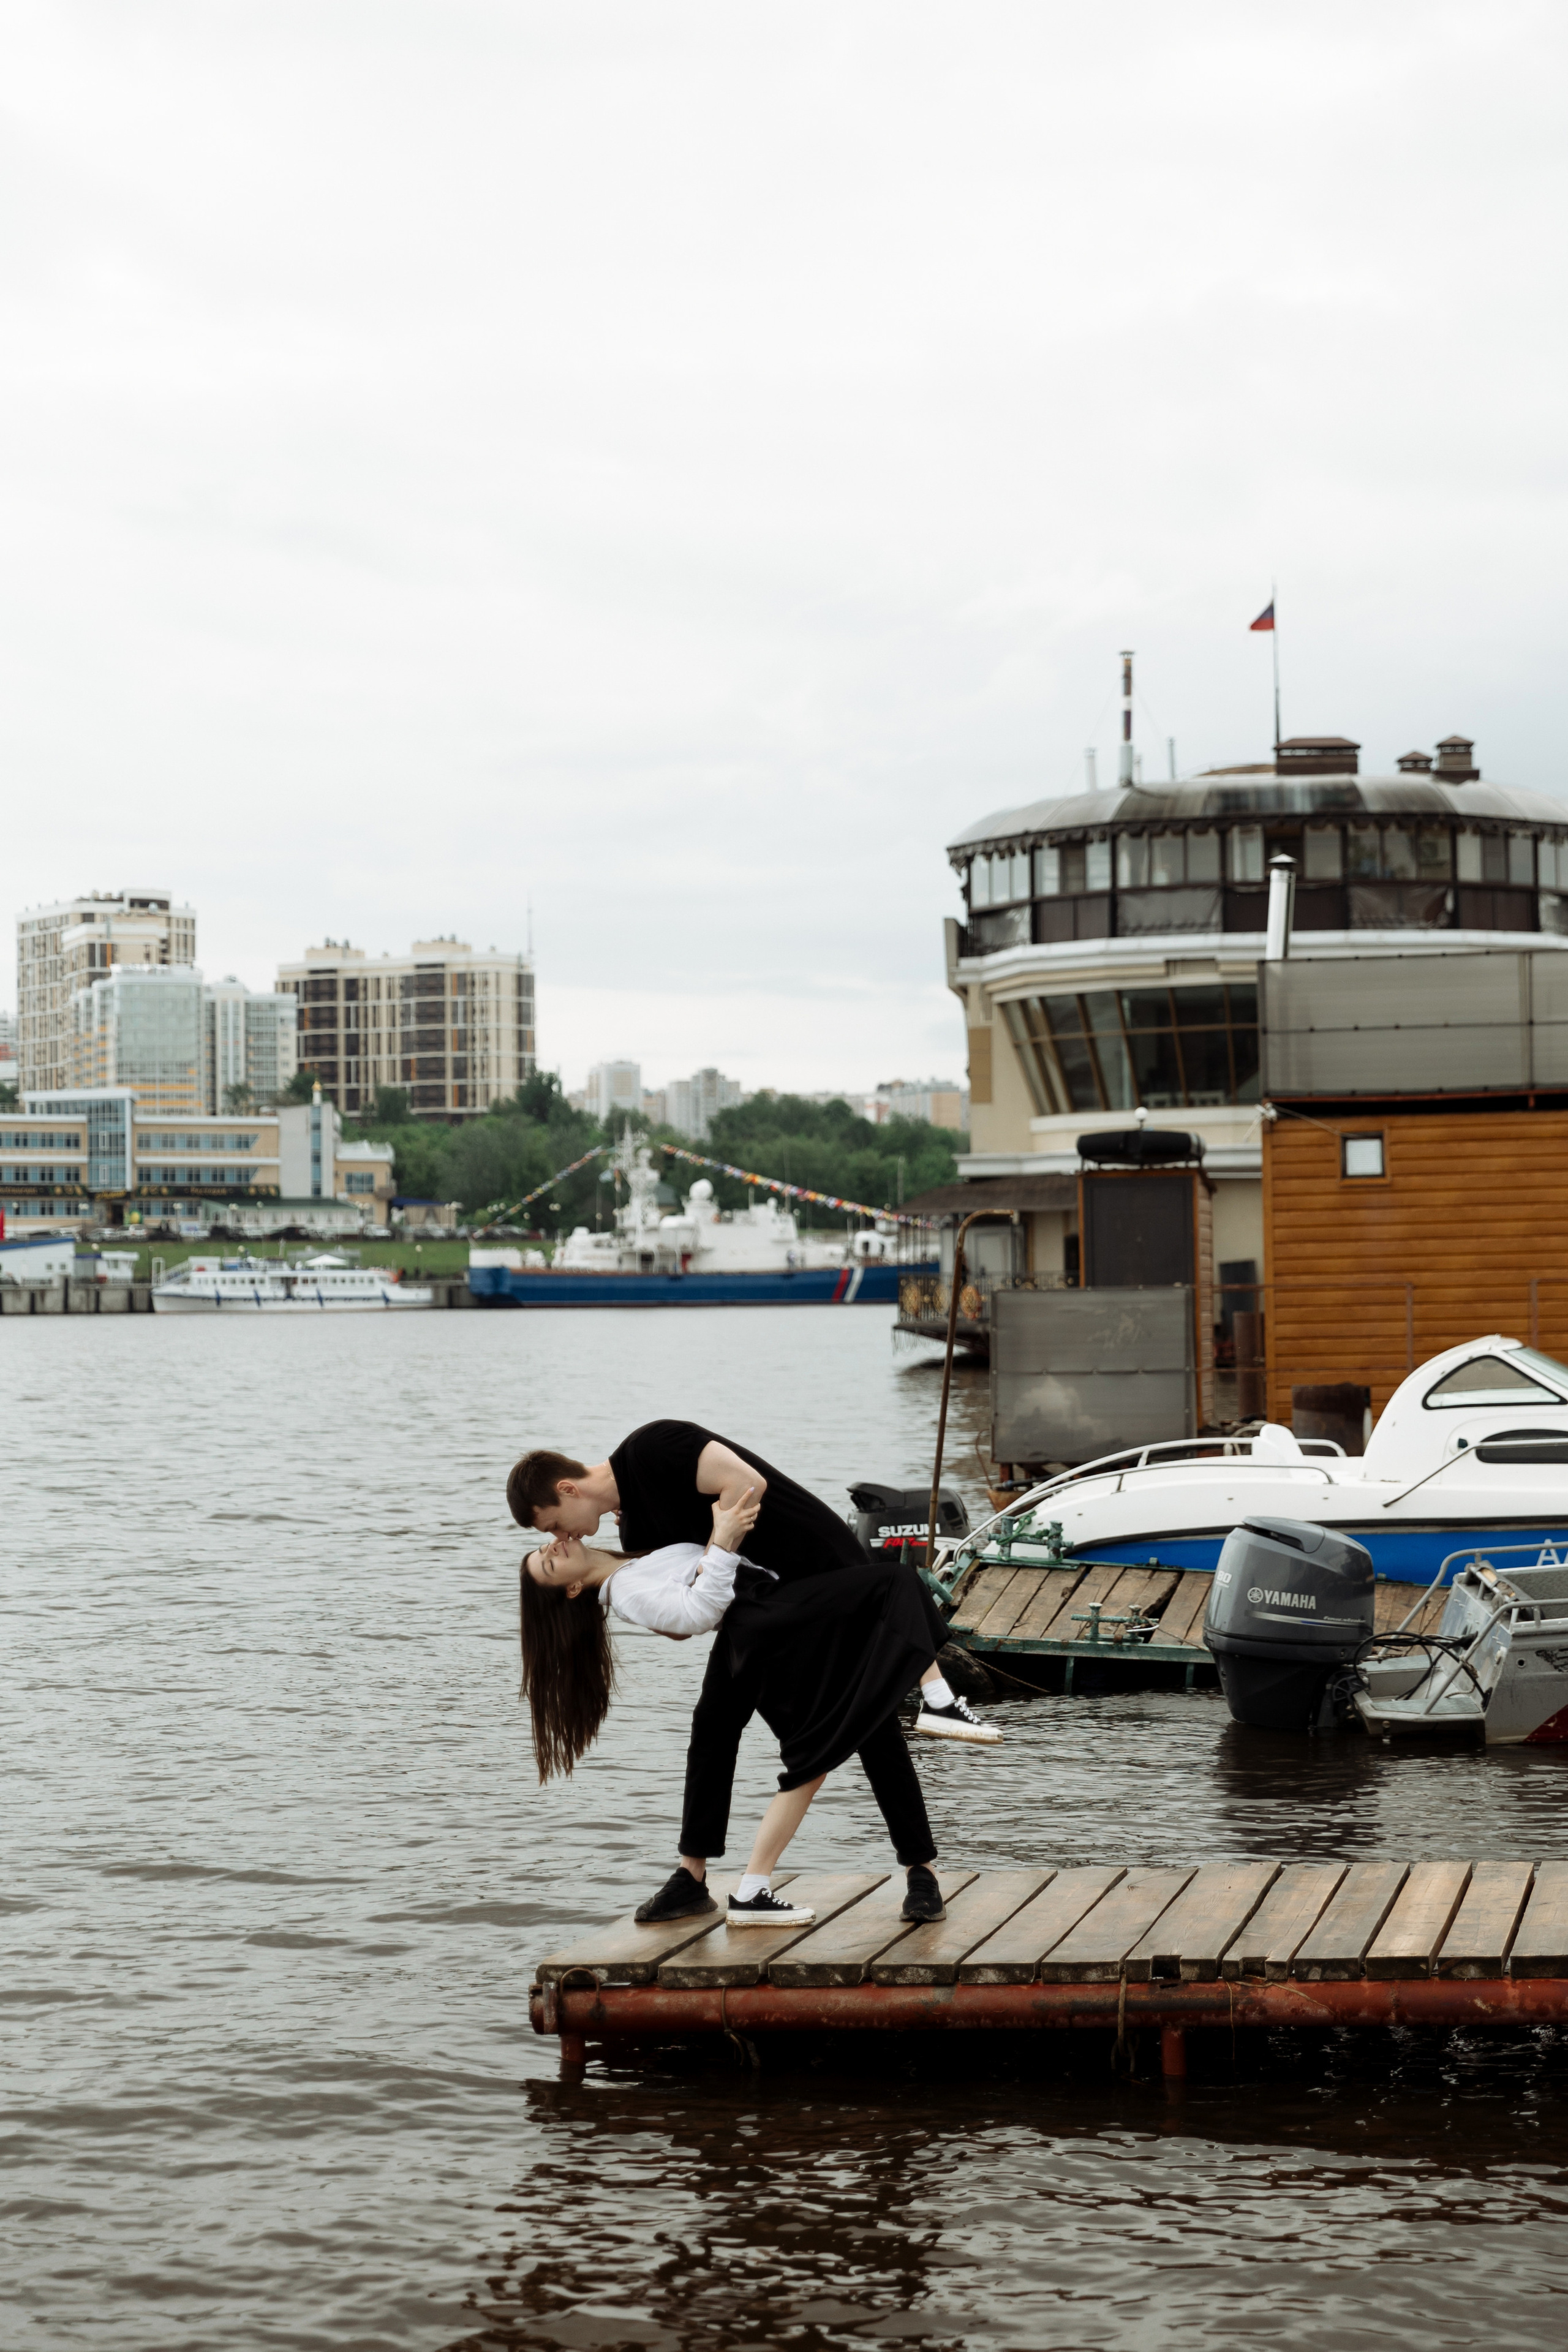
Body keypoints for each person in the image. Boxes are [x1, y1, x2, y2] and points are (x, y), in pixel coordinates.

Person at [507, 1419, 1000, 1929]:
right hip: (758, 1608)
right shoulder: (632, 1531)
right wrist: (708, 1565)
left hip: (819, 1566)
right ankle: (691, 1877)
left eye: (552, 1525)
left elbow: (749, 1486)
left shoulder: (654, 1448)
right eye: (550, 1539)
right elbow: (683, 1614)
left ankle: (921, 1872)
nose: (559, 1538)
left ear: (568, 1490)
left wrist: (719, 1544)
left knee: (874, 1728)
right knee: (713, 1725)